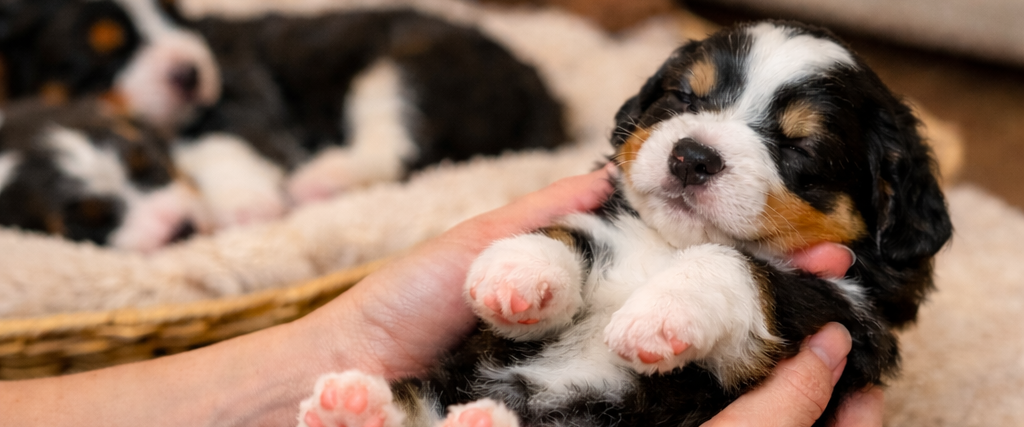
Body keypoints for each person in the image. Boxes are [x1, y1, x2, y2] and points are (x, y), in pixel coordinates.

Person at [0, 165, 881, 426]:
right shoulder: (623, 219)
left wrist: (336, 345)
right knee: (449, 387)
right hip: (494, 396)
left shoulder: (815, 274)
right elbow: (566, 261)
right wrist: (544, 269)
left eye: (791, 150)